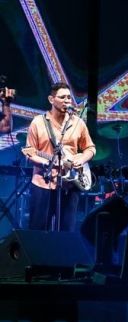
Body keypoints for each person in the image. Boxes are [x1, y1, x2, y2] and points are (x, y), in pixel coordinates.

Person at [22, 83, 95, 232]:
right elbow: (29, 152)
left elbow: (90, 148)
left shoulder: (78, 123)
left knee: (66, 232)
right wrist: (48, 163)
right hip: (43, 183)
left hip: (70, 184)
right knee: (38, 231)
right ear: (51, 99)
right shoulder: (38, 122)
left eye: (69, 97)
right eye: (62, 97)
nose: (67, 100)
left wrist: (80, 160)